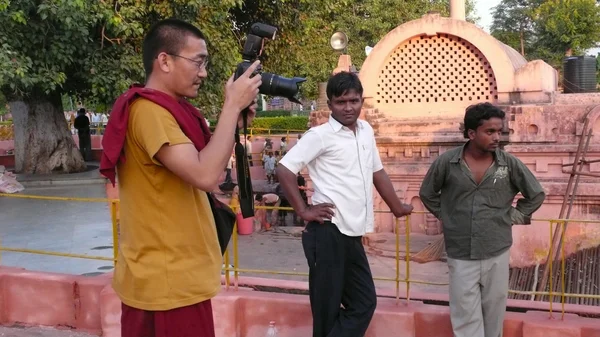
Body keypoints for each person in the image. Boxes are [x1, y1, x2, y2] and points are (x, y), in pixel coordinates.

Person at [99, 18, 261, 337]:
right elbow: (204, 174)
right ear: (165, 61)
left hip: (168, 279)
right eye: (197, 62)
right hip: (167, 284)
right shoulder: (148, 112)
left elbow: (202, 162)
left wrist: (234, 119)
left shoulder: (169, 110)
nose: (203, 72)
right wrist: (230, 106)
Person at [276, 71, 413, 337]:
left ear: (362, 100)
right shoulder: (320, 135)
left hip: (353, 233)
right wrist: (303, 210)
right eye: (341, 102)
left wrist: (397, 207)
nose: (348, 107)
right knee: (327, 311)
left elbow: (377, 172)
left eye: (354, 100)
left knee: (364, 302)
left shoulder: (365, 131)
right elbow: (284, 169)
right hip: (327, 231)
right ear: (330, 104)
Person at [419, 103, 545, 337]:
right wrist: (447, 216)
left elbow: (536, 194)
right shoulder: (447, 163)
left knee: (494, 313)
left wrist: (514, 215)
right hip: (460, 252)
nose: (497, 137)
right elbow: (427, 193)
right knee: (465, 316)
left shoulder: (508, 164)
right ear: (471, 133)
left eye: (500, 131)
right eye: (490, 132)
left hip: (496, 249)